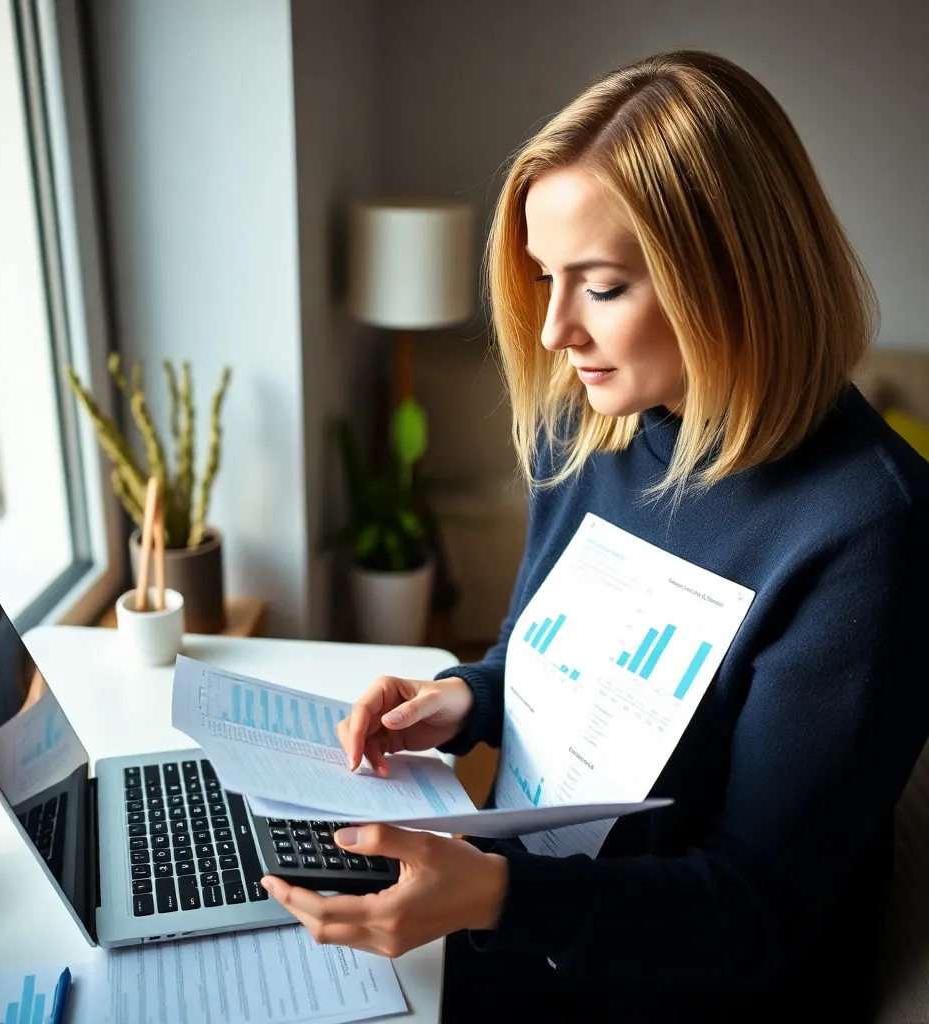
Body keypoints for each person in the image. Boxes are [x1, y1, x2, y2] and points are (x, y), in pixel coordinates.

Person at [260, 49, 929, 1022]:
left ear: (733, 277)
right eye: (544, 278)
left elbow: (756, 909)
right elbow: (544, 658)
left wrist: (497, 898)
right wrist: (463, 697)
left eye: (603, 287)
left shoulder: (870, 531)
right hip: (521, 917)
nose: (553, 331)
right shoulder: (592, 427)